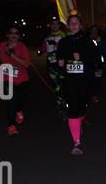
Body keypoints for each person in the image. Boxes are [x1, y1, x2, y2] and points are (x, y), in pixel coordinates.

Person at [57, 14, 97, 155]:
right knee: (73, 109)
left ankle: (79, 121)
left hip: (85, 81)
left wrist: (82, 58)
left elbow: (95, 60)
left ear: (80, 25)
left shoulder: (87, 42)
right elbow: (59, 62)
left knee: (82, 108)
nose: (73, 25)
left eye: (76, 23)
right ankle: (77, 142)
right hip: (70, 82)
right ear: (67, 26)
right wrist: (61, 62)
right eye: (71, 23)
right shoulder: (63, 42)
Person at [0, 25, 30, 136]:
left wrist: (13, 56)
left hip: (21, 79)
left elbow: (26, 64)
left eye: (16, 33)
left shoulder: (22, 47)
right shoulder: (1, 46)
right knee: (11, 101)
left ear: (19, 36)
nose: (13, 35)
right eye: (11, 33)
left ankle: (19, 110)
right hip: (6, 78)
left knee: (20, 101)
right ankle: (11, 126)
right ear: (7, 35)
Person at [40, 17, 66, 118]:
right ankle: (60, 105)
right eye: (53, 24)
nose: (55, 26)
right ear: (50, 25)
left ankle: (64, 103)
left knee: (63, 85)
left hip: (62, 64)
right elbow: (43, 49)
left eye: (56, 24)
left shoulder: (63, 35)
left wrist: (56, 45)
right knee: (57, 86)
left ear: (59, 25)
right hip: (51, 65)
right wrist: (41, 51)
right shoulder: (47, 37)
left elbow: (66, 48)